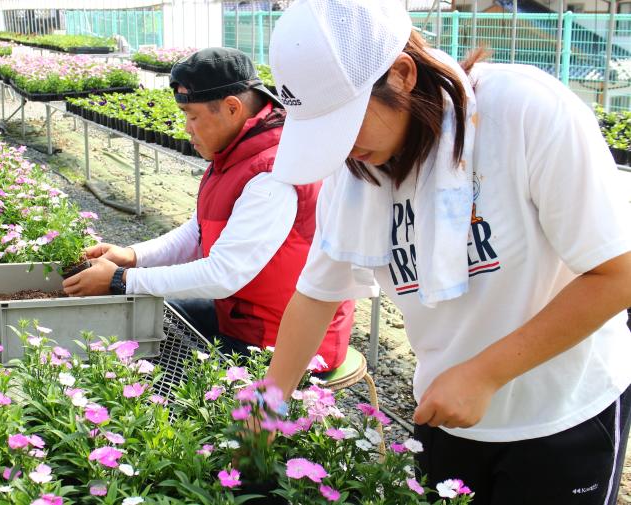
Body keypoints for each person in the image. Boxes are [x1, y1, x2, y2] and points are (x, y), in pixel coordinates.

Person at [262, 0, 631, 503]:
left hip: (560, 414)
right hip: (447, 413)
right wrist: (266, 407)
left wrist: (485, 373)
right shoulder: (356, 172)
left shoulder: (525, 113)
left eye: (347, 124)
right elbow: (316, 295)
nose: (343, 148)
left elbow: (617, 274)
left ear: (403, 73)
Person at [63, 47, 354, 370]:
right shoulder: (237, 151)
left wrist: (121, 279)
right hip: (244, 316)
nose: (187, 128)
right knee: (149, 320)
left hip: (281, 343)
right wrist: (132, 256)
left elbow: (224, 274)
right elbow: (198, 230)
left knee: (155, 367)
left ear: (232, 108)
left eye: (193, 116)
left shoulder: (274, 172)